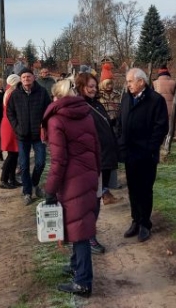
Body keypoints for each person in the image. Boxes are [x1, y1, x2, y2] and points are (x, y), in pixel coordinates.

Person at [43, 79, 100, 297]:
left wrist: (50, 189)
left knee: (79, 231)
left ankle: (83, 282)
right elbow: (96, 147)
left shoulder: (57, 120)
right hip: (88, 175)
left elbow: (59, 160)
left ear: (56, 97)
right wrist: (96, 174)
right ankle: (76, 266)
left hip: (72, 180)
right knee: (80, 223)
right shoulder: (86, 113)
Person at [117, 68, 169, 243]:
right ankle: (135, 220)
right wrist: (120, 142)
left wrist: (150, 148)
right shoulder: (126, 98)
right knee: (132, 189)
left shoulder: (156, 100)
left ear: (141, 82)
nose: (128, 84)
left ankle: (145, 224)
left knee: (145, 190)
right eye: (128, 81)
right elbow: (120, 122)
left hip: (146, 155)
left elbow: (161, 127)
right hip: (130, 154)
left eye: (130, 81)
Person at [75, 73, 119, 255]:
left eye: (94, 85)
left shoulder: (96, 103)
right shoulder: (79, 106)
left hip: (105, 159)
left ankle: (89, 234)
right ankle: (87, 237)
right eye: (89, 86)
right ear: (80, 86)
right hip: (91, 161)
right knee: (89, 201)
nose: (93, 89)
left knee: (98, 199)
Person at [6, 67, 52, 205]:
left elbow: (49, 111)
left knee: (40, 162)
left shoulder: (42, 92)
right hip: (22, 135)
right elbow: (10, 112)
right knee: (24, 165)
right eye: (24, 77)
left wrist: (45, 126)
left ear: (33, 77)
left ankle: (34, 184)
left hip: (38, 135)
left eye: (29, 77)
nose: (26, 79)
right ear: (21, 79)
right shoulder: (15, 94)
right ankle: (27, 192)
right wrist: (17, 127)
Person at [0, 74, 21, 189]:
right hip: (11, 125)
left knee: (14, 153)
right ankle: (3, 179)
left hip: (8, 124)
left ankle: (12, 178)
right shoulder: (12, 93)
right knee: (12, 154)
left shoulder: (8, 91)